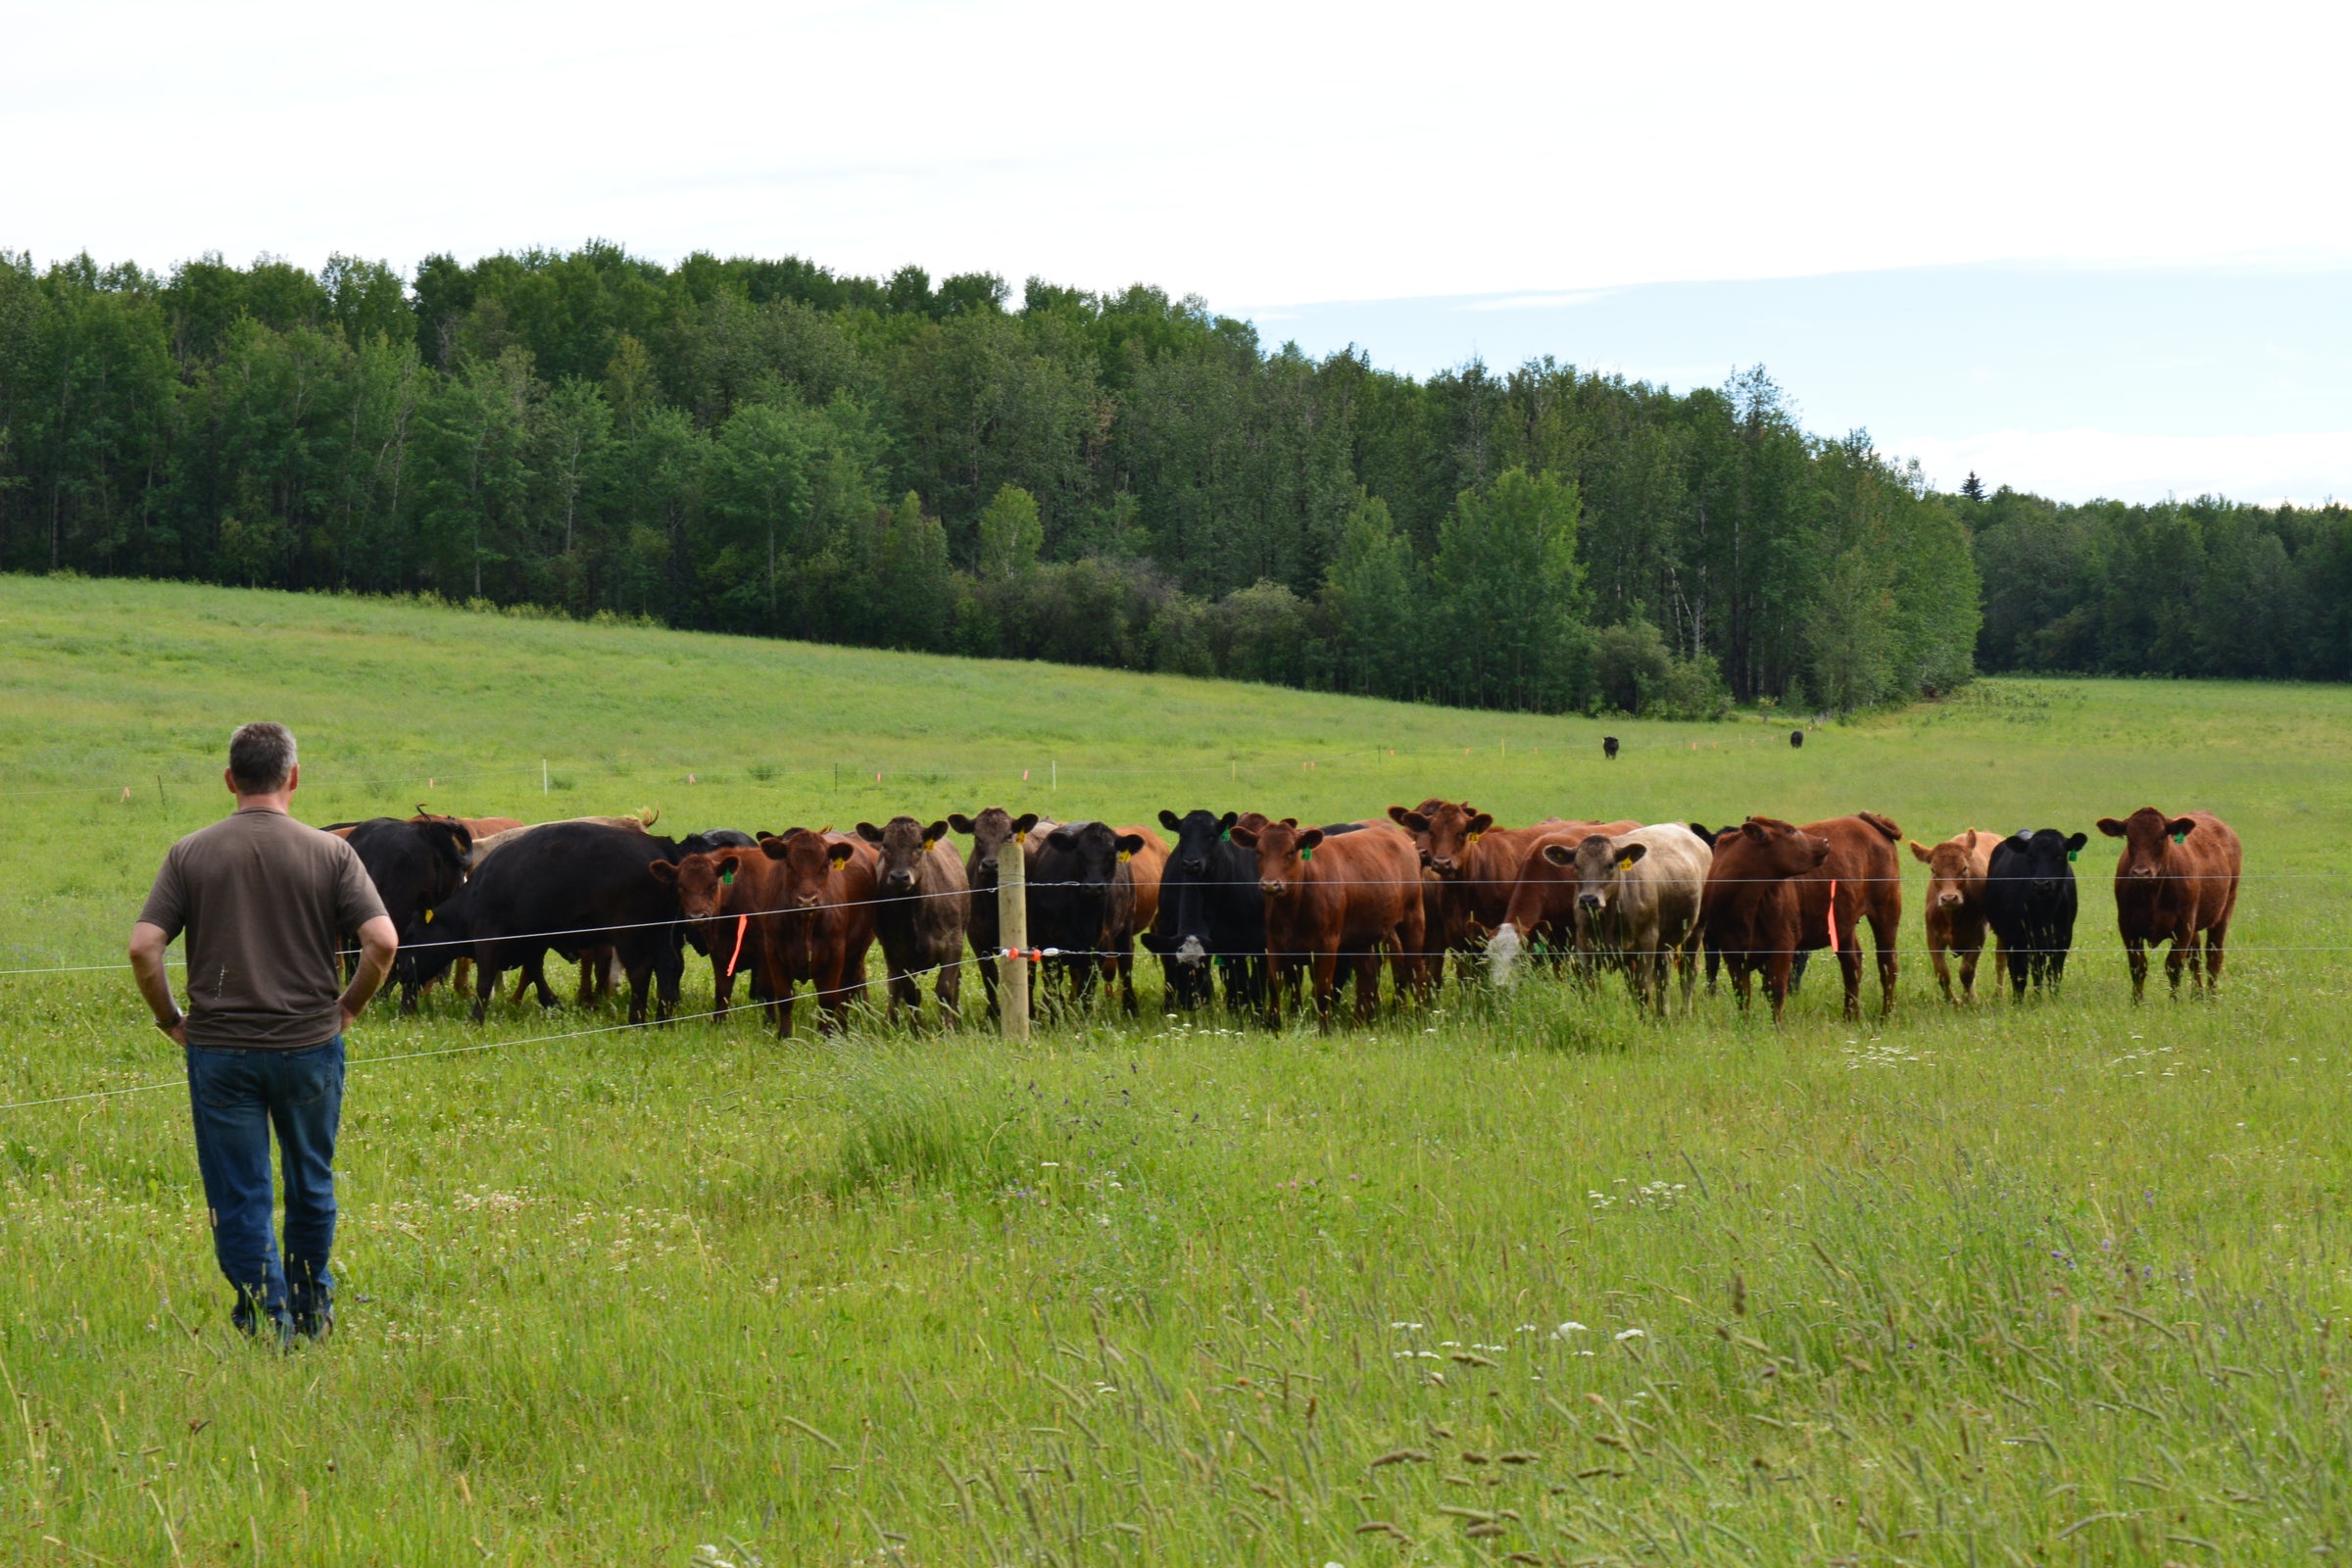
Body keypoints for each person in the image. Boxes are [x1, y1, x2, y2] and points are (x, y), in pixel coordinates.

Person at [127, 722, 397, 1344]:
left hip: (220, 1050)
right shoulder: (332, 853)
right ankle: (310, 1308)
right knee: (311, 1179)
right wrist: (348, 1007)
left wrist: (171, 1020)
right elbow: (382, 941)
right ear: (294, 778)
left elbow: (145, 948)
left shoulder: (190, 852)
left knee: (240, 1189)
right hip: (308, 1046)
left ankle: (263, 1317)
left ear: (230, 780)